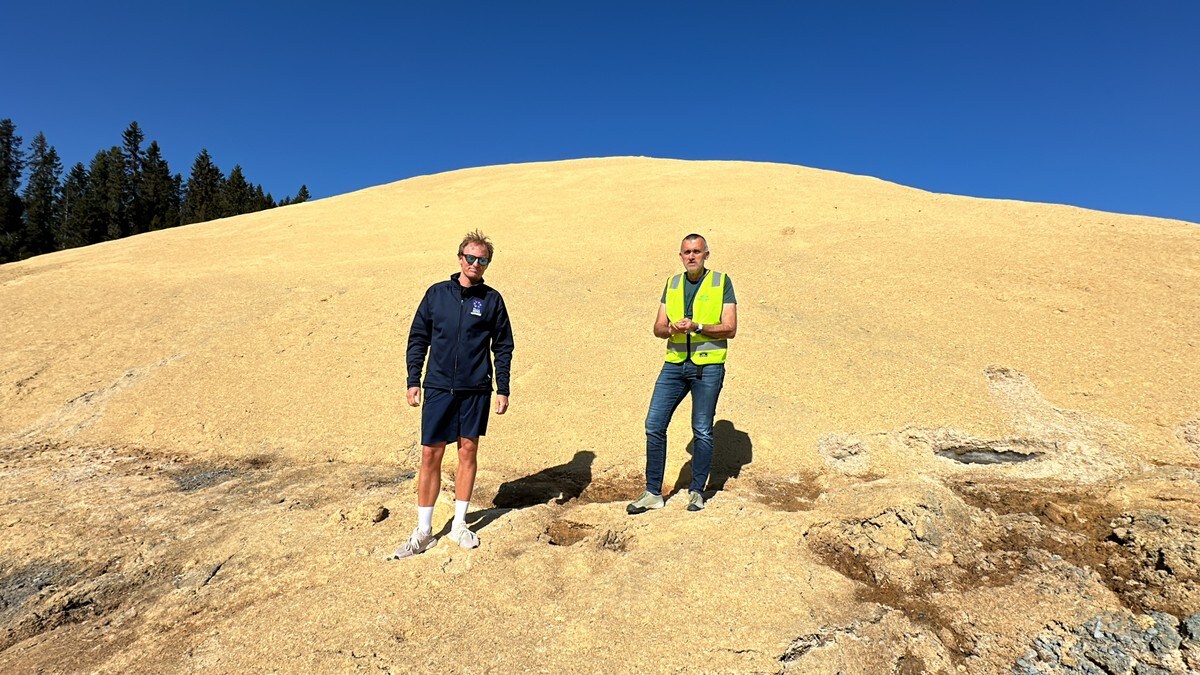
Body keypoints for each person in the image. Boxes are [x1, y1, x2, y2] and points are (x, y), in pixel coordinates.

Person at [392, 230, 514, 558]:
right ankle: (424, 530)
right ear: (460, 258)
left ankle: (460, 524)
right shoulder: (436, 295)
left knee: (467, 453)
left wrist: (502, 387)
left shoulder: (492, 300)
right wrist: (412, 379)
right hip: (437, 387)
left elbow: (503, 345)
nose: (476, 263)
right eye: (471, 257)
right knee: (430, 455)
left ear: (488, 264)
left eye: (483, 259)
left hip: (475, 389)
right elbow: (419, 337)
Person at [628, 233, 737, 514]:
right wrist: (673, 329)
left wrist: (698, 326)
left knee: (701, 429)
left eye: (697, 251)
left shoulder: (721, 282)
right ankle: (653, 493)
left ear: (706, 254)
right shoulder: (672, 283)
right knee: (654, 424)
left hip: (708, 366)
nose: (691, 256)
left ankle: (697, 492)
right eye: (687, 252)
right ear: (680, 256)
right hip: (675, 364)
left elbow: (730, 328)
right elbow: (658, 328)